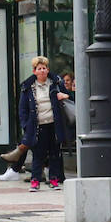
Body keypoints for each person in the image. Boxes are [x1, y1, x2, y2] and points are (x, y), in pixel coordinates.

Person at [18, 56, 70, 191]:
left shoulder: (56, 83)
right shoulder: (28, 87)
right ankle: (35, 180)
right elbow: (22, 109)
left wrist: (63, 95)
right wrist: (25, 125)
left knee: (54, 153)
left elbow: (69, 95)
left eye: (44, 68)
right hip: (37, 125)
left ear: (48, 70)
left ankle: (53, 179)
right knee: (38, 154)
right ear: (34, 71)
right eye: (39, 69)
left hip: (53, 123)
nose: (42, 71)